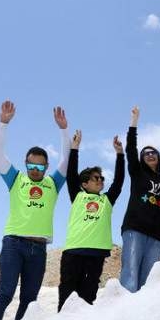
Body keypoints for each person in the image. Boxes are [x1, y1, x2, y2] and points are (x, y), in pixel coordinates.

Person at [0, 100, 70, 320]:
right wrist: (2, 124)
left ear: (46, 167)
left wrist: (64, 130)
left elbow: (66, 160)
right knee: (5, 294)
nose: (36, 170)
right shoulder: (15, 180)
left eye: (41, 167)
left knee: (30, 300)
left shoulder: (53, 184)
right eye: (32, 166)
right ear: (25, 164)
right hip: (14, 244)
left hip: (39, 248)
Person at [58, 132, 125, 310]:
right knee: (67, 296)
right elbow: (71, 174)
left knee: (88, 297)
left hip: (96, 254)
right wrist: (75, 148)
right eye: (96, 178)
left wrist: (120, 154)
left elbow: (118, 182)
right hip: (73, 252)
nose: (100, 181)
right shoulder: (77, 195)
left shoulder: (106, 201)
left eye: (102, 178)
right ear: (84, 184)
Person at [120, 106, 160, 292]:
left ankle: (141, 314)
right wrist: (133, 123)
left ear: (159, 158)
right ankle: (123, 312)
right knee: (130, 273)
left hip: (156, 232)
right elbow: (130, 149)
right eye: (146, 153)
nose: (150, 155)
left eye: (153, 153)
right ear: (141, 159)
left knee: (148, 279)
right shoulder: (137, 173)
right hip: (134, 228)